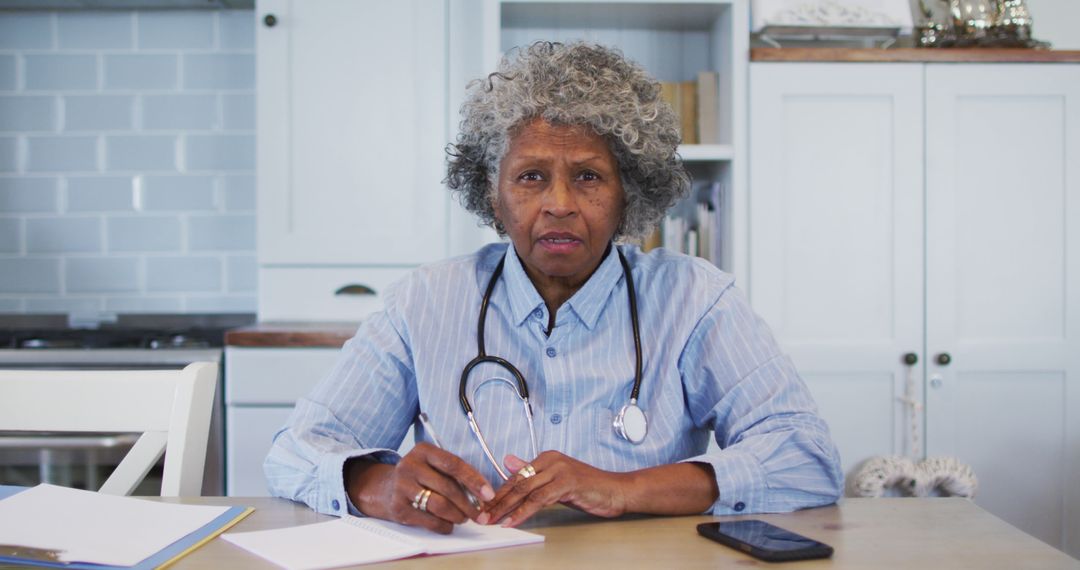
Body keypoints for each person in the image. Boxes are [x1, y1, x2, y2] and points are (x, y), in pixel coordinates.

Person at [265, 41, 842, 534]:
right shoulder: (424, 302)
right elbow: (297, 450)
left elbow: (807, 459)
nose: (560, 204)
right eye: (530, 177)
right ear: (492, 194)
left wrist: (622, 488)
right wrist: (379, 485)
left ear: (628, 193)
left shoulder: (694, 300)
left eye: (588, 176)